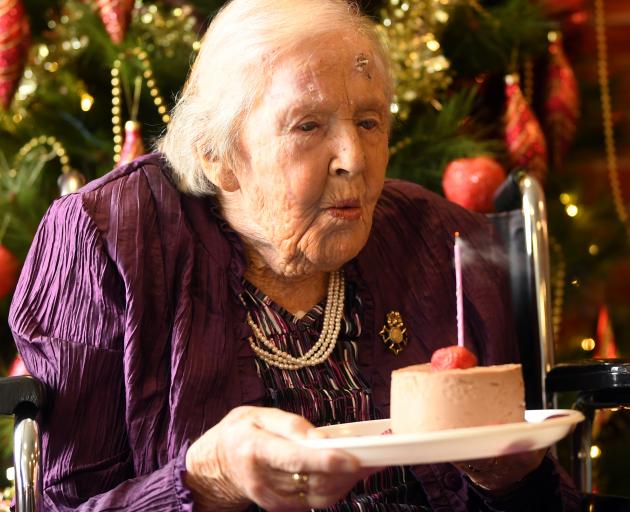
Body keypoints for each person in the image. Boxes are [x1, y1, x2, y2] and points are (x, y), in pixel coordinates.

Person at [9, 0, 580, 510]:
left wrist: (509, 475)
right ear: (219, 155)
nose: (353, 159)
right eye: (308, 125)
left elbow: (535, 494)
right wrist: (205, 482)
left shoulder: (438, 241)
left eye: (368, 121)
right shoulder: (107, 240)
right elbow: (66, 503)